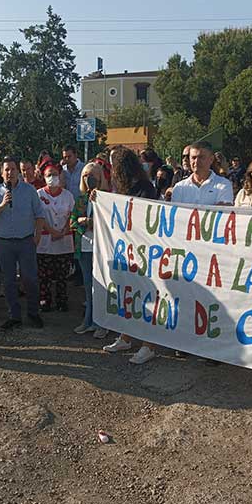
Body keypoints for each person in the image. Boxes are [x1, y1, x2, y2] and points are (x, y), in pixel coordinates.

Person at [102, 147, 160, 365]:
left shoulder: (145, 188)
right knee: (128, 295)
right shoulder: (124, 189)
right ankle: (126, 336)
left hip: (145, 253)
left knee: (147, 297)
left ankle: (149, 344)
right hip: (127, 252)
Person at [0, 157, 46, 330]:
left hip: (26, 241)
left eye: (12, 169)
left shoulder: (29, 190)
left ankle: (33, 313)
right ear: (2, 173)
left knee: (30, 278)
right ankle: (14, 315)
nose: (10, 173)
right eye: (6, 170)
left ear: (18, 171)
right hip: (4, 243)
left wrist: (37, 235)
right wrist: (3, 204)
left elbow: (39, 214)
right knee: (9, 280)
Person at [70, 162, 108, 339]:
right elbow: (72, 222)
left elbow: (110, 222)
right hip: (84, 247)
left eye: (92, 175)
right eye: (85, 175)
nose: (89, 178)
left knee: (102, 286)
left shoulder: (106, 198)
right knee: (88, 286)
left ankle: (102, 323)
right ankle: (88, 320)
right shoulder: (80, 199)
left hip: (101, 249)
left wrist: (94, 221)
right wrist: (82, 223)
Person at [36, 162, 75, 312]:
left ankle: (62, 300)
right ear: (44, 177)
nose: (52, 178)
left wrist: (64, 231)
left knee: (61, 275)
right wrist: (52, 231)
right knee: (44, 275)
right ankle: (45, 300)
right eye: (49, 175)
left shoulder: (68, 195)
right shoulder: (39, 194)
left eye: (55, 174)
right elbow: (38, 216)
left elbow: (72, 214)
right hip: (46, 239)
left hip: (64, 240)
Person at [170, 141, 234, 206]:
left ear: (211, 159)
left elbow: (223, 212)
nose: (196, 161)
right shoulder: (179, 187)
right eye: (193, 158)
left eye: (201, 157)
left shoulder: (224, 184)